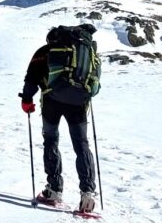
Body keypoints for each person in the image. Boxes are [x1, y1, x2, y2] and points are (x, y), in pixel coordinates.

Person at [20, 24, 102, 213]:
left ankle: (54, 189)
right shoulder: (87, 52)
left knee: (51, 141)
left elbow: (31, 78)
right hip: (79, 104)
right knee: (81, 145)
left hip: (52, 102)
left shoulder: (44, 51)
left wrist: (27, 100)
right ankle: (87, 193)